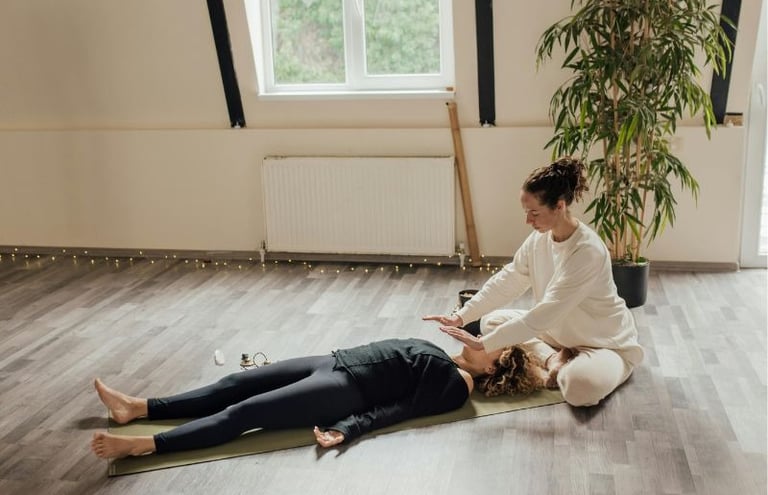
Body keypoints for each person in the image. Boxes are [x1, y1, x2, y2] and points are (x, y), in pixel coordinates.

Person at [90, 338, 552, 459]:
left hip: (344, 390)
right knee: (234, 383)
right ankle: (139, 408)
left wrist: (347, 428)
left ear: (492, 368)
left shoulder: (458, 384)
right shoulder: (448, 354)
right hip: (333, 362)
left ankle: (146, 445)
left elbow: (397, 411)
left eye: (492, 347)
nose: (482, 341)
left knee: (243, 413)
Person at [424, 157, 644, 407]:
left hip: (601, 342)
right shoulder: (539, 239)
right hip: (556, 332)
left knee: (579, 389)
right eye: (526, 212)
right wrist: (462, 317)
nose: (528, 220)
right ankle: (554, 359)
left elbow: (544, 314)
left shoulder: (587, 251)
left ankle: (608, 365)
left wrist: (483, 344)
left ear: (559, 206)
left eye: (534, 212)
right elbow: (509, 279)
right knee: (491, 322)